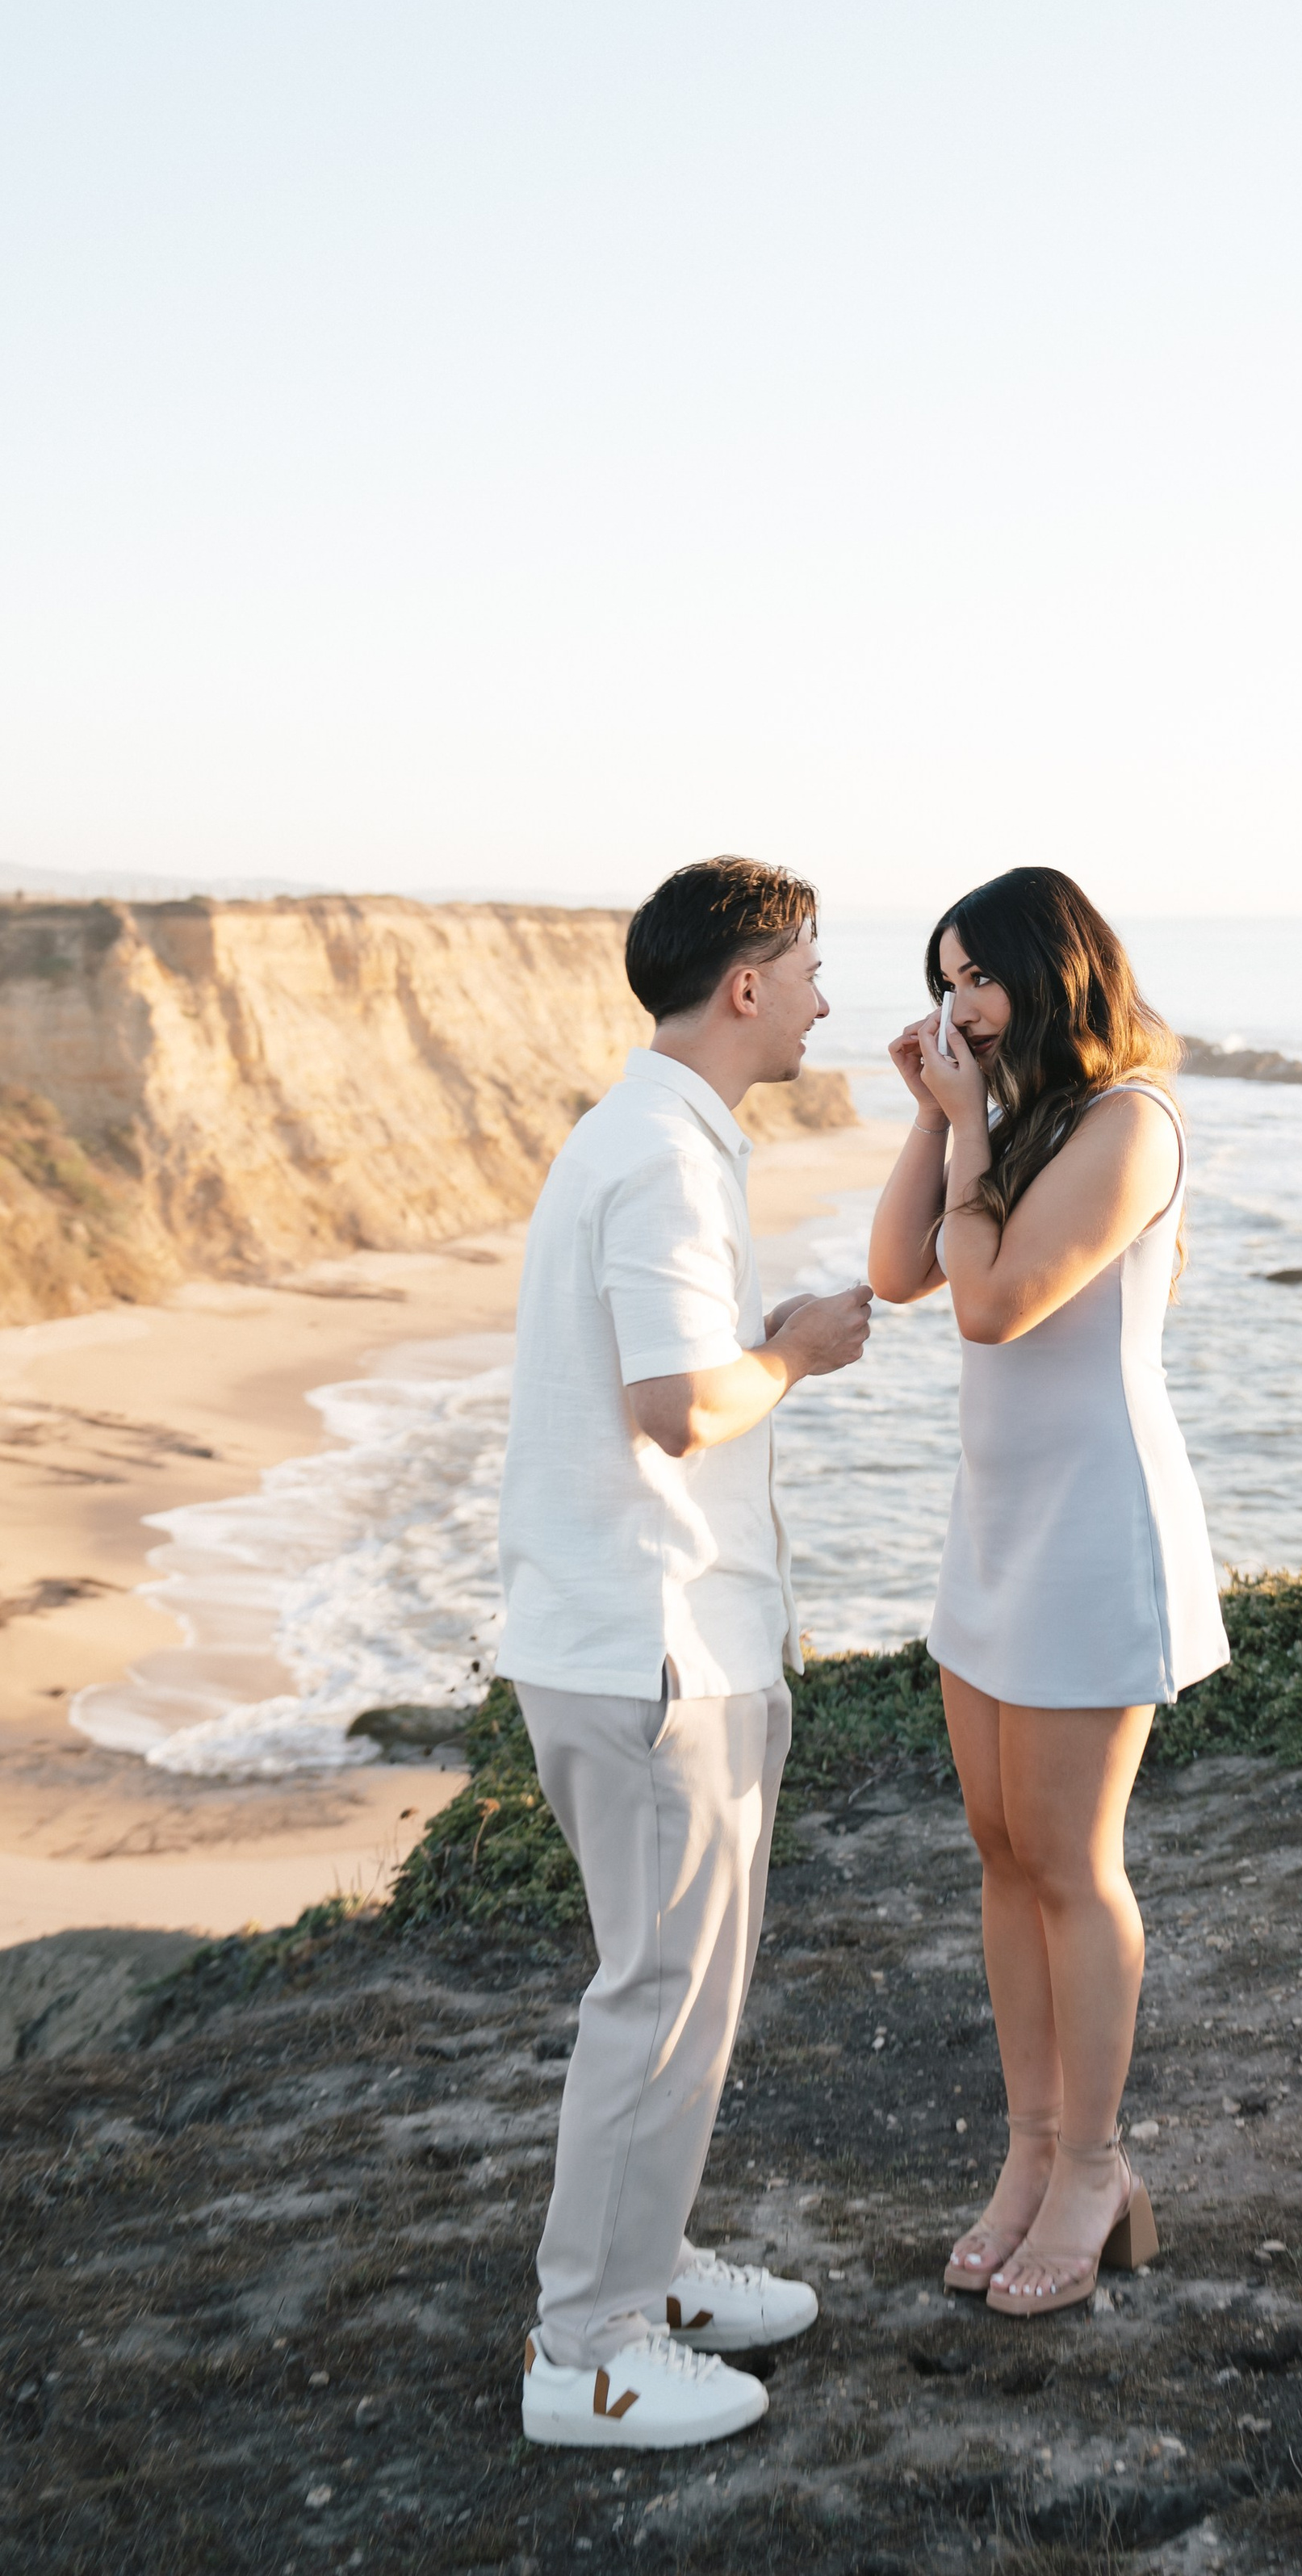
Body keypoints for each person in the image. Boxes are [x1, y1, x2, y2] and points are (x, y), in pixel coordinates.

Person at [497, 857, 873, 2450]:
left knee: (683, 1994)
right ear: (742, 983)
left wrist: (753, 1348)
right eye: (805, 968)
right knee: (658, 1996)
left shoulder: (652, 1134)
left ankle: (642, 2273)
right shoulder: (658, 1154)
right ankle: (587, 2351)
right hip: (650, 1652)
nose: (820, 996)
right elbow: (674, 1408)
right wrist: (792, 1351)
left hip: (644, 1640)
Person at [868, 865, 1228, 2317]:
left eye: (980, 977)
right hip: (995, 1524)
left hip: (1095, 1526)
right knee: (1000, 1844)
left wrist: (968, 1134)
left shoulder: (1129, 1122)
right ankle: (1026, 2151)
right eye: (943, 979)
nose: (959, 1004)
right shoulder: (1002, 1116)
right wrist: (931, 1115)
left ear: (1050, 968)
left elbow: (994, 1301)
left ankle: (1095, 2165)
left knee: (1074, 1862)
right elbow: (900, 1269)